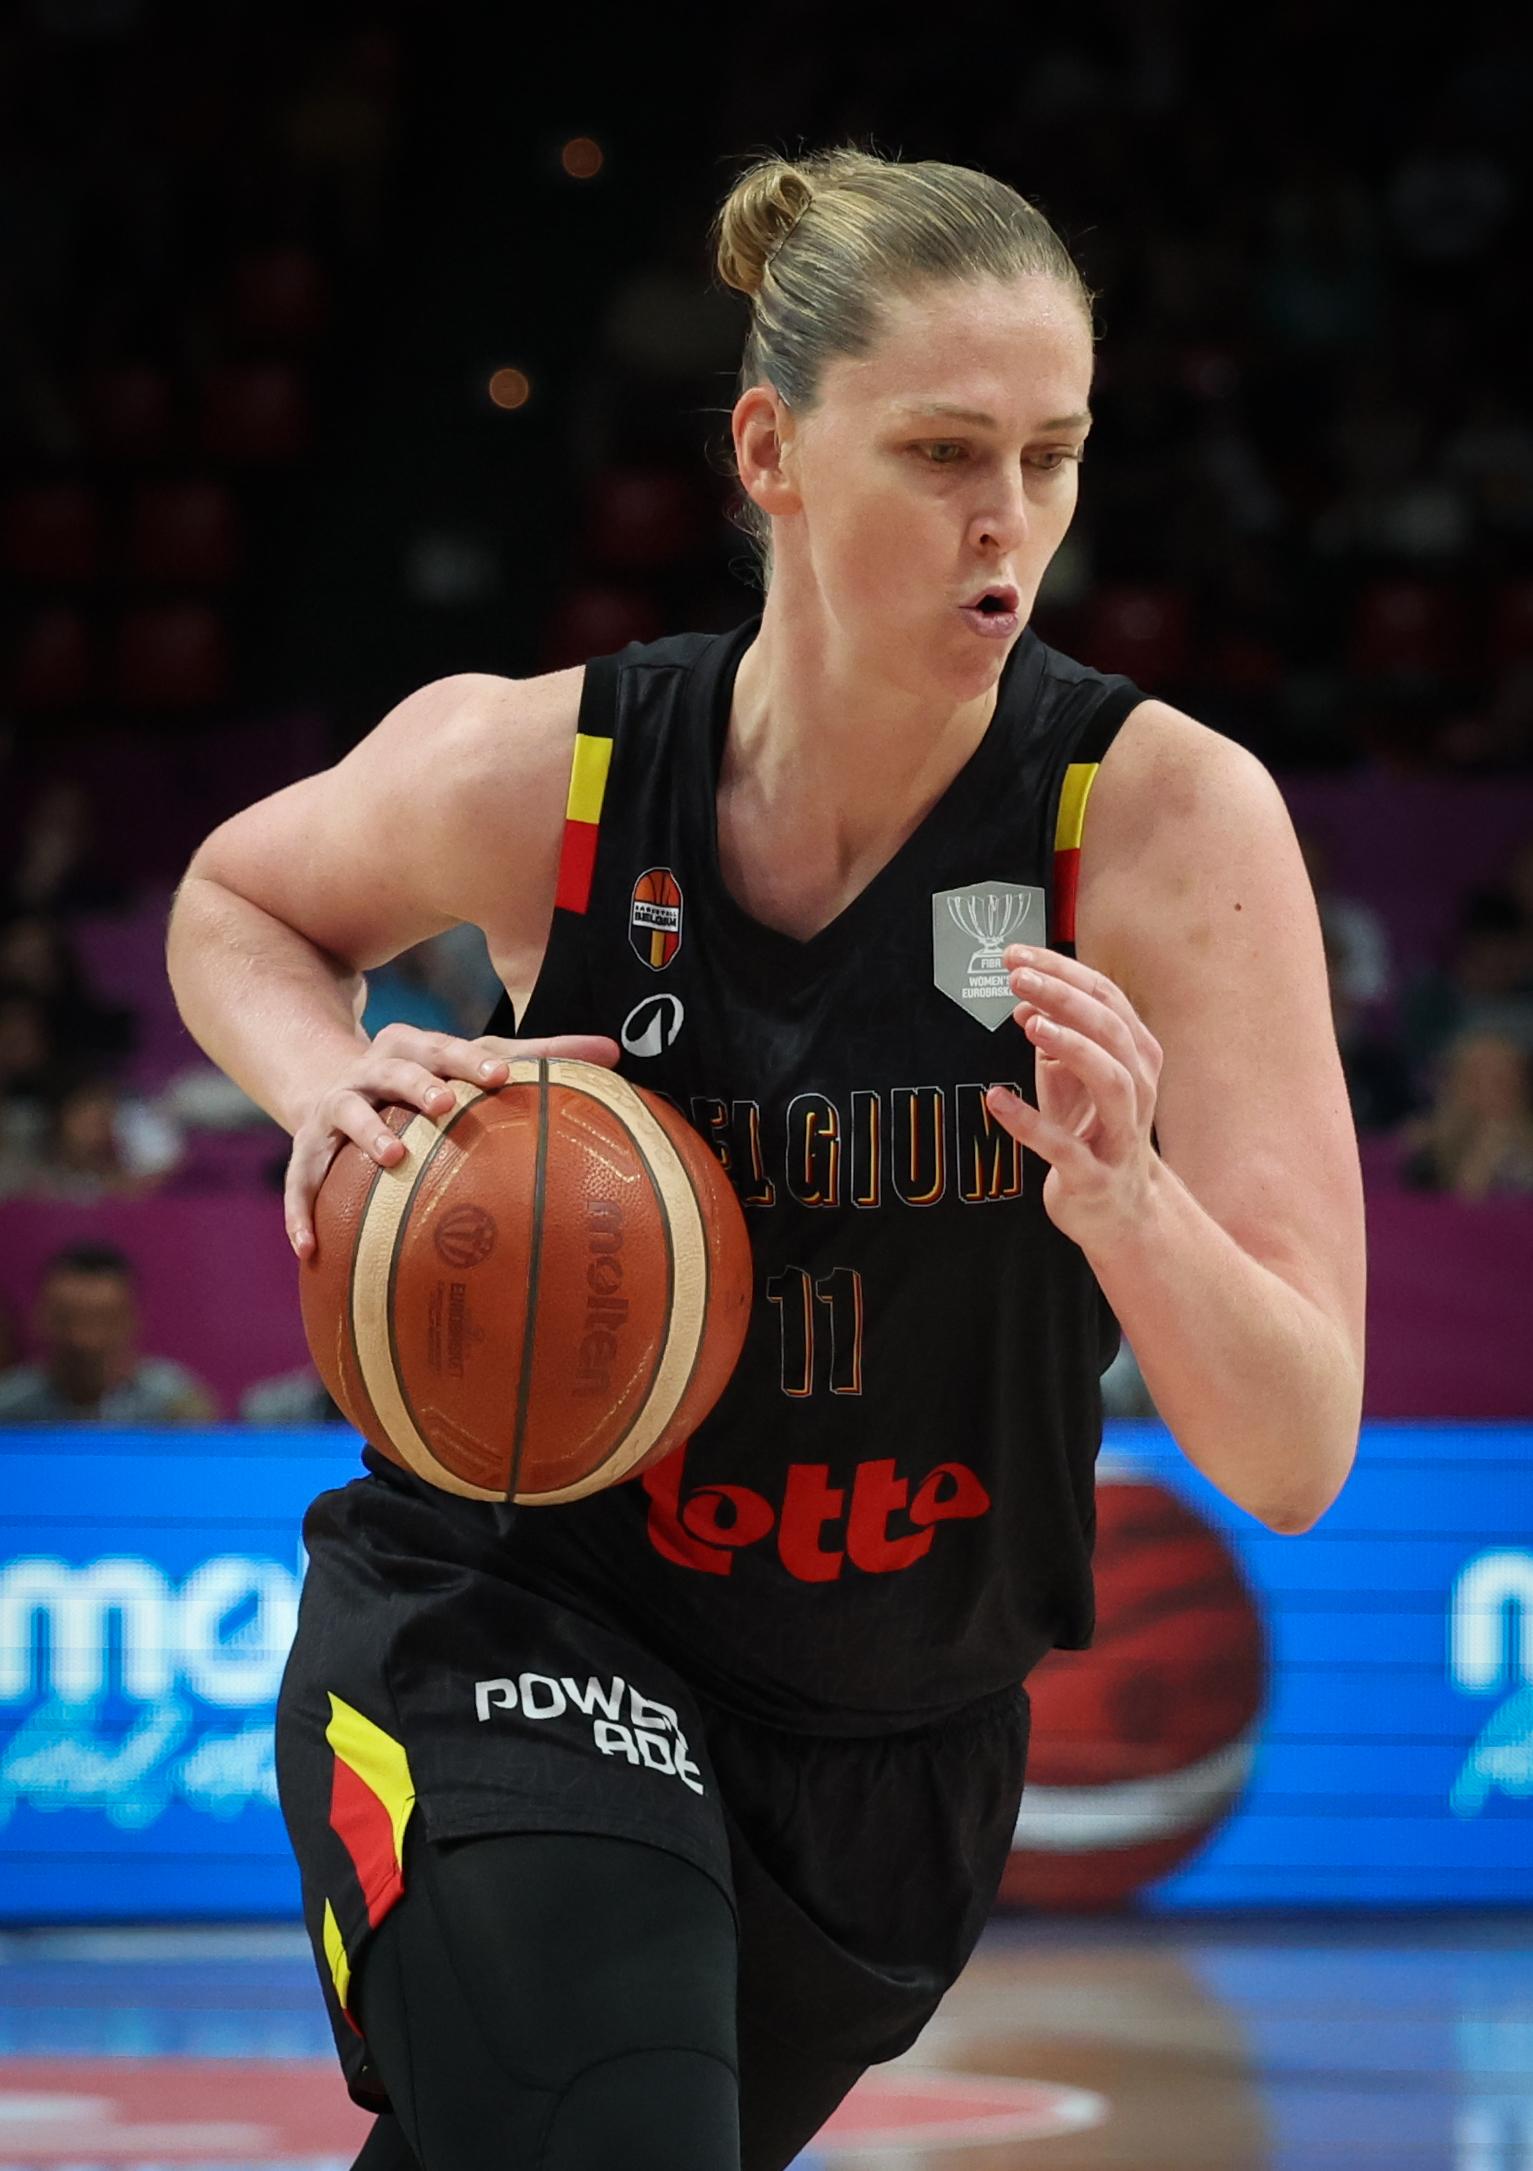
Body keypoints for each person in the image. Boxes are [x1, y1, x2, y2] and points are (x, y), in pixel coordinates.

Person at [165, 146, 1365, 2171]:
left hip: (888, 1748)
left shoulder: (1157, 823)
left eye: (1052, 457)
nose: (1007, 526)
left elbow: (1292, 1447)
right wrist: (326, 1084)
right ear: (769, 448)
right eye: (939, 452)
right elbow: (240, 898)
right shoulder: (552, 768)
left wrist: (1124, 1199)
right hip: (519, 1611)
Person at [0, 1241, 217, 1424]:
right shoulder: (10, 1408)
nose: (82, 1340)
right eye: (67, 1319)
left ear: (131, 1319)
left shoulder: (176, 1408)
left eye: (101, 1320)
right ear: (40, 1318)